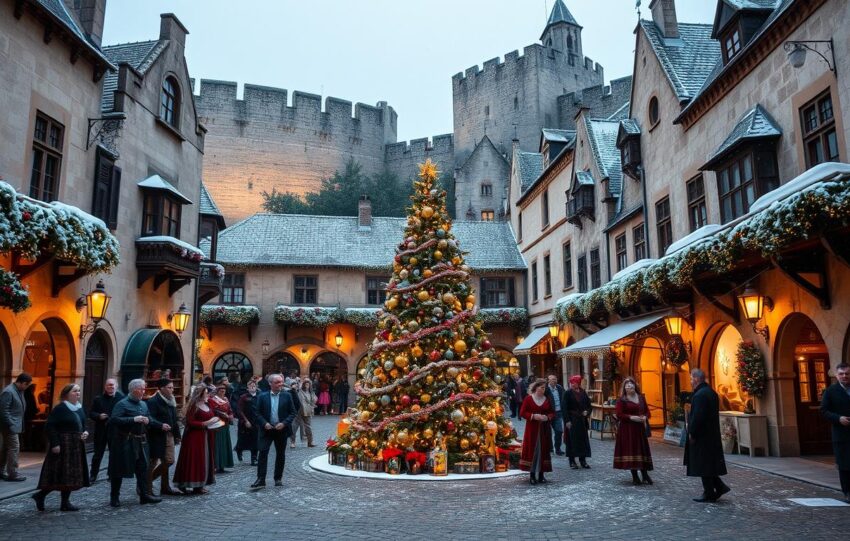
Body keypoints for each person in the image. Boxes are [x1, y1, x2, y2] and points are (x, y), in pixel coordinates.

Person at [31, 384, 90, 511]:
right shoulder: (60, 409)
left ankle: (65, 503)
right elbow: (50, 427)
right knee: (58, 474)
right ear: (67, 393)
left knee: (70, 475)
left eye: (79, 391)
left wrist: (85, 432)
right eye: (75, 391)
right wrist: (55, 443)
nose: (78, 393)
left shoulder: (79, 408)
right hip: (64, 444)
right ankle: (40, 495)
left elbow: (84, 424)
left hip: (76, 446)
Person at [107, 379, 162, 507]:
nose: (144, 391)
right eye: (142, 389)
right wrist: (133, 419)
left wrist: (152, 422)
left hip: (141, 441)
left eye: (144, 389)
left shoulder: (143, 404)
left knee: (143, 468)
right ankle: (114, 497)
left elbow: (149, 417)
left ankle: (144, 495)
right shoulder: (122, 404)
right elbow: (114, 420)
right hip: (126, 442)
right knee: (119, 469)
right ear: (134, 390)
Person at [685, 368, 730, 503]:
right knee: (708, 464)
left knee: (703, 464)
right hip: (711, 435)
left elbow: (698, 418)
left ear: (697, 379)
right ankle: (719, 487)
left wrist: (692, 432)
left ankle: (709, 492)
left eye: (691, 379)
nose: (690, 381)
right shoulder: (711, 393)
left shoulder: (700, 395)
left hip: (702, 437)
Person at [251, 373, 297, 490]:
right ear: (270, 383)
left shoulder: (287, 396)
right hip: (266, 429)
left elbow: (292, 412)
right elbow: (256, 413)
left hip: (281, 430)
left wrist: (284, 423)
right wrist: (264, 423)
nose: (280, 384)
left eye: (281, 382)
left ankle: (278, 478)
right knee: (263, 453)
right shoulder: (262, 396)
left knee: (280, 454)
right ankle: (261, 479)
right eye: (277, 382)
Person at [173, 384, 218, 494]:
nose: (208, 394)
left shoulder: (208, 404)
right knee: (194, 460)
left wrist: (215, 420)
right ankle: (188, 483)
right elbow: (189, 422)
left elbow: (211, 415)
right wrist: (205, 423)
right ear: (201, 393)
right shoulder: (194, 406)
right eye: (206, 392)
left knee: (204, 459)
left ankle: (200, 485)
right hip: (194, 438)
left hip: (206, 436)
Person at [613, 377, 653, 485]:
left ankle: (645, 475)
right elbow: (619, 414)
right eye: (627, 385)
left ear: (635, 386)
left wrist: (645, 417)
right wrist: (631, 417)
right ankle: (635, 476)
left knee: (641, 450)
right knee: (631, 450)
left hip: (639, 430)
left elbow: (647, 412)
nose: (629, 386)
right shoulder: (622, 400)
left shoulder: (641, 398)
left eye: (631, 384)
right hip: (627, 430)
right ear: (624, 388)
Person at [820, 362, 850, 503]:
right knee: (844, 465)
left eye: (847, 374)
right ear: (837, 376)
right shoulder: (830, 391)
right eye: (841, 374)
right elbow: (824, 411)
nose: (845, 376)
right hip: (841, 434)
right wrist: (838, 418)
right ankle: (847, 491)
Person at [146, 378, 180, 496]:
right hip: (156, 435)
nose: (172, 390)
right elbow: (150, 418)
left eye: (172, 387)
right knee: (153, 462)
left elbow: (174, 419)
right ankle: (147, 488)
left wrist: (177, 435)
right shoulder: (153, 401)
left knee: (169, 460)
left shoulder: (171, 400)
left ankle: (160, 486)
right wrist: (160, 425)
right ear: (161, 388)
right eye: (169, 387)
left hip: (169, 434)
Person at [88, 378, 124, 482]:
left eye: (112, 385)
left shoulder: (121, 398)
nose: (110, 387)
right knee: (98, 454)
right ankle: (93, 474)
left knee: (114, 454)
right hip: (101, 430)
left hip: (115, 431)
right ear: (105, 386)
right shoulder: (98, 399)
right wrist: (99, 416)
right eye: (108, 385)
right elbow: (91, 413)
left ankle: (111, 474)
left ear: (116, 386)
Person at [519, 379, 554, 484]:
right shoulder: (528, 399)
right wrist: (533, 416)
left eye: (544, 388)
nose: (543, 390)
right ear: (536, 387)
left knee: (543, 450)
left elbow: (552, 412)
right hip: (532, 429)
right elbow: (522, 412)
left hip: (544, 430)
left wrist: (547, 417)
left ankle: (541, 475)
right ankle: (532, 475)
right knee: (533, 451)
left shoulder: (547, 399)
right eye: (541, 387)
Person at [0, 372, 32, 482]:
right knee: (14, 447)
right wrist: (11, 424)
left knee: (5, 448)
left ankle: (1, 471)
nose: (27, 388)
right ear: (22, 383)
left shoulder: (18, 391)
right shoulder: (9, 391)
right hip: (10, 426)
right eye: (27, 385)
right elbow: (3, 410)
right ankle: (12, 473)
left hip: (13, 425)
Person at [563, 375, 592, 469]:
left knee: (583, 440)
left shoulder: (583, 392)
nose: (572, 384)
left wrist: (587, 412)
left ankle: (582, 460)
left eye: (574, 383)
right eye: (571, 383)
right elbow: (564, 408)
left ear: (578, 383)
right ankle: (572, 461)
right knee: (572, 441)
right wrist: (567, 421)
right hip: (572, 420)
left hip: (582, 421)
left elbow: (589, 405)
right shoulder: (567, 393)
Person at [210, 381, 235, 473]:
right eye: (220, 390)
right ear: (217, 391)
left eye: (224, 390)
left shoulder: (226, 399)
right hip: (217, 424)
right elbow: (212, 411)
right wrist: (221, 414)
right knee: (217, 445)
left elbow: (230, 410)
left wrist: (231, 414)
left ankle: (223, 465)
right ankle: (216, 465)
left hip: (225, 424)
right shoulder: (212, 400)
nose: (222, 391)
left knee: (224, 445)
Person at [235, 379, 259, 465]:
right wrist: (245, 421)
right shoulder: (244, 397)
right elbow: (239, 410)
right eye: (250, 385)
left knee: (255, 440)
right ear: (247, 388)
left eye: (254, 385)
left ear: (256, 387)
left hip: (256, 422)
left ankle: (254, 458)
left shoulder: (259, 396)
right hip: (245, 422)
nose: (252, 387)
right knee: (243, 439)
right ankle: (239, 450)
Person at [544, 375, 566, 456]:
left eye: (555, 379)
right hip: (548, 414)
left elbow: (564, 397)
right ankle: (550, 449)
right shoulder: (545, 389)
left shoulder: (560, 388)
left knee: (559, 431)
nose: (554, 381)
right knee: (548, 432)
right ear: (548, 381)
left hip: (558, 413)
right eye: (552, 379)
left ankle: (558, 448)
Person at [293, 380, 317, 448]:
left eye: (308, 385)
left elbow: (314, 400)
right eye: (306, 384)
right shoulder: (300, 391)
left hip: (308, 411)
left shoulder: (311, 392)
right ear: (303, 385)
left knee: (308, 427)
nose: (307, 386)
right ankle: (292, 442)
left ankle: (310, 442)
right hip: (300, 411)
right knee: (295, 426)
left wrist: (313, 403)